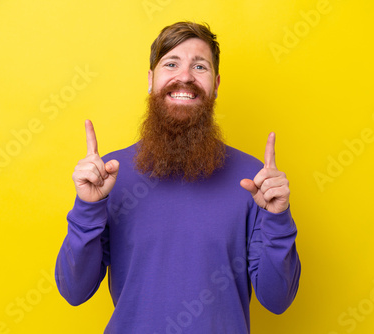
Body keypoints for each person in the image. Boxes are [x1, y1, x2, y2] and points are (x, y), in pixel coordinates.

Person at [55, 21, 301, 333]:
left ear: (216, 83)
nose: (185, 77)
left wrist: (278, 218)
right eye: (171, 63)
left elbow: (277, 299)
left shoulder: (254, 182)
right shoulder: (108, 177)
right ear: (150, 80)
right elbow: (74, 291)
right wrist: (87, 207)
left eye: (200, 66)